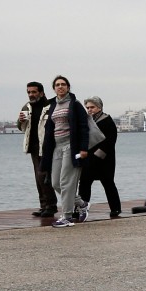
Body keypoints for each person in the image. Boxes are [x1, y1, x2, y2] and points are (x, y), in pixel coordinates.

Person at [41, 75, 94, 227]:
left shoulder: (75, 104)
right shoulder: (52, 106)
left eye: (63, 84)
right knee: (55, 182)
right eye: (57, 85)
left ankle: (67, 217)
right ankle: (82, 204)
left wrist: (83, 148)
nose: (60, 87)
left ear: (68, 87)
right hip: (57, 147)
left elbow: (84, 127)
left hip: (72, 147)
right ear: (54, 88)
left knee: (67, 182)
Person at [77, 95, 122, 219]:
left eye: (92, 107)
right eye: (87, 107)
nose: (89, 109)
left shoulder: (107, 120)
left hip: (105, 159)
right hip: (88, 158)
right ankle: (81, 208)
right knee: (84, 183)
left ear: (99, 107)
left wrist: (98, 154)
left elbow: (111, 140)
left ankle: (115, 208)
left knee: (108, 183)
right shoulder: (86, 120)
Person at [17, 80, 55, 221]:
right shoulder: (26, 107)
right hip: (33, 148)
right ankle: (44, 205)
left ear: (41, 92)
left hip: (47, 147)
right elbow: (21, 127)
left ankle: (51, 206)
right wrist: (21, 120)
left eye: (34, 92)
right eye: (29, 92)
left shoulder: (50, 106)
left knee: (46, 177)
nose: (31, 95)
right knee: (38, 178)